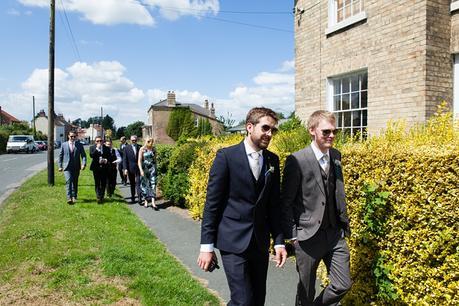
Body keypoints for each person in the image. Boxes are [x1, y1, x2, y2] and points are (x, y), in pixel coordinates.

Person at [197, 107, 287, 306]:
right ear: (249, 127)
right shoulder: (226, 157)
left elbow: (274, 205)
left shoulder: (273, 160)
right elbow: (212, 204)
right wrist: (206, 246)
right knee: (242, 301)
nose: (270, 134)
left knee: (257, 300)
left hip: (260, 243)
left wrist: (279, 241)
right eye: (265, 128)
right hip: (232, 241)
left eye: (273, 130)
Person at [281, 110, 352, 306]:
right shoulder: (297, 160)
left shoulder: (336, 155)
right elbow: (286, 202)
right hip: (307, 237)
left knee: (343, 284)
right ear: (312, 130)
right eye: (326, 132)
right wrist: (293, 236)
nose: (331, 136)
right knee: (306, 291)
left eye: (334, 132)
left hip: (334, 234)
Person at [58, 131, 87, 204]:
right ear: (68, 136)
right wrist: (60, 166)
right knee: (68, 181)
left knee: (75, 182)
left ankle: (74, 196)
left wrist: (83, 164)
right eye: (71, 136)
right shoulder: (64, 145)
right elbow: (60, 156)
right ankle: (69, 198)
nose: (73, 138)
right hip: (67, 167)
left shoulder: (79, 145)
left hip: (76, 167)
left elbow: (83, 156)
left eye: (74, 136)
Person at [89, 136, 111, 203]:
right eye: (97, 141)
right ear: (95, 142)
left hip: (104, 167)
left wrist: (106, 160)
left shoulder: (106, 148)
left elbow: (110, 157)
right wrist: (97, 149)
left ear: (103, 141)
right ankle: (98, 196)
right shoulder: (92, 147)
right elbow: (91, 155)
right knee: (97, 182)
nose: (99, 142)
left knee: (103, 182)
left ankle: (102, 196)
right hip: (96, 167)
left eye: (100, 141)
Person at [138, 136, 158, 209]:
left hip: (152, 169)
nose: (150, 143)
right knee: (145, 185)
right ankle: (146, 201)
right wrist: (141, 170)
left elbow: (155, 160)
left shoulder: (154, 149)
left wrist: (156, 168)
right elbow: (139, 161)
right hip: (145, 169)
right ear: (145, 141)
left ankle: (153, 203)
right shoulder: (142, 149)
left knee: (153, 184)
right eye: (148, 141)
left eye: (151, 141)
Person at [123, 135, 142, 204]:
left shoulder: (140, 147)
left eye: (135, 140)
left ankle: (140, 198)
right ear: (130, 140)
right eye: (132, 140)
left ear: (137, 140)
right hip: (130, 168)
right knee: (132, 184)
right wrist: (125, 169)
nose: (134, 141)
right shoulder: (126, 148)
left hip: (139, 168)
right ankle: (133, 197)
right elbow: (124, 160)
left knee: (138, 183)